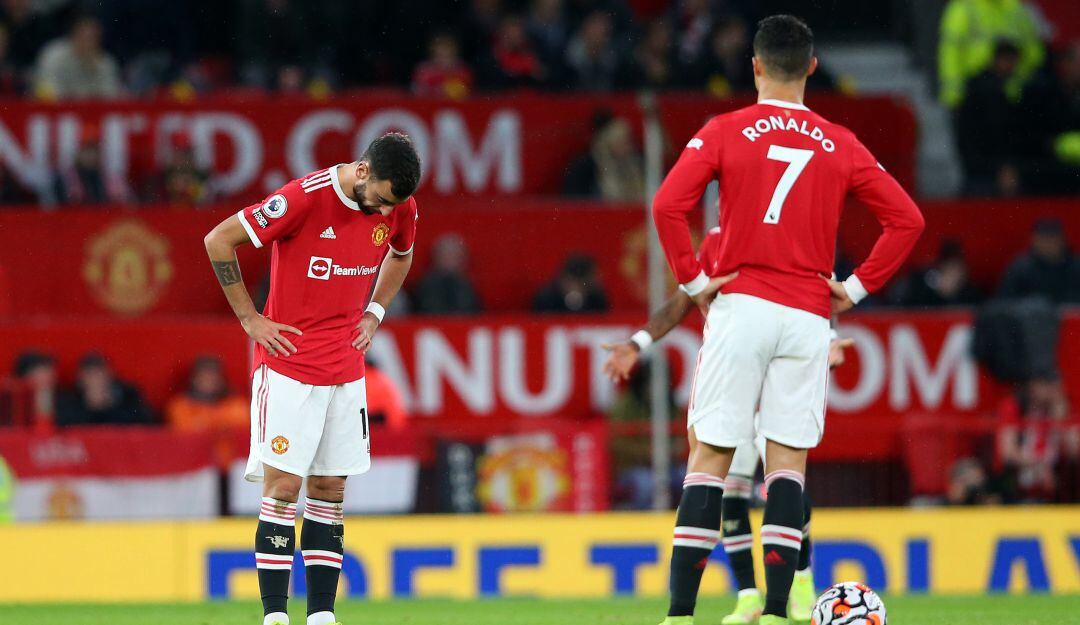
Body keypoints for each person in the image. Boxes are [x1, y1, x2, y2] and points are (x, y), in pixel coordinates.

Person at [650, 15, 924, 625]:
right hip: (806, 315)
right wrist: (853, 288)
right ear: (812, 68)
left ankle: (679, 617)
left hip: (741, 305)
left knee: (711, 460)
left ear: (753, 66)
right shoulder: (841, 142)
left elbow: (668, 203)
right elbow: (908, 221)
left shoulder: (725, 129)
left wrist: (693, 280)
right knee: (786, 468)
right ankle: (777, 613)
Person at [203, 131, 420, 625]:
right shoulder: (303, 198)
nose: (386, 216)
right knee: (283, 488)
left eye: (395, 207)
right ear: (363, 172)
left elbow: (401, 254)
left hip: (345, 368)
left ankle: (322, 616)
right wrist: (250, 320)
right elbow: (218, 240)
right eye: (381, 202)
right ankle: (274, 616)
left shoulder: (401, 205)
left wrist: (377, 310)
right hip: (288, 367)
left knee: (330, 491)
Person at [601, 228, 854, 623]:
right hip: (734, 385)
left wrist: (831, 336)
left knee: (783, 482)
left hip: (776, 380)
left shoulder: (786, 230)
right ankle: (750, 596)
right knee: (731, 492)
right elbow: (683, 300)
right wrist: (638, 342)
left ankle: (800, 579)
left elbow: (817, 290)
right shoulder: (718, 241)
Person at [938, 0, 1044, 109]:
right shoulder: (964, 7)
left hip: (1012, 90)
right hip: (974, 90)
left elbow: (1033, 52)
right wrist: (954, 90)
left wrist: (1019, 80)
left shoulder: (1015, 8)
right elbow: (951, 53)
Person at [165, 355, 249, 467]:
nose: (208, 381)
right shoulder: (180, 406)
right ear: (193, 379)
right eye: (203, 377)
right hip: (194, 469)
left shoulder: (236, 404)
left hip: (232, 469)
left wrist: (209, 426)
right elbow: (185, 435)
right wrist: (219, 428)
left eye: (213, 376)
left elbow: (242, 431)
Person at [34, 14, 121, 100]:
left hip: (90, 111)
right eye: (84, 35)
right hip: (58, 109)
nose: (87, 42)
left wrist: (94, 69)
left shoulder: (105, 62)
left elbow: (111, 97)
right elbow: (47, 90)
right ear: (73, 34)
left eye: (92, 37)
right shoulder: (54, 54)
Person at [56, 353, 155, 427]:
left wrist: (108, 405)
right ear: (80, 380)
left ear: (109, 376)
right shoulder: (69, 404)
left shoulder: (129, 399)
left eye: (99, 373)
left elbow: (147, 427)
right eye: (89, 374)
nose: (95, 379)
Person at [998, 218, 1080, 305]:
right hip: (1030, 317)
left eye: (1053, 238)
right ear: (1034, 240)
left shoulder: (1076, 266)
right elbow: (1004, 302)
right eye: (1044, 239)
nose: (1049, 244)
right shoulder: (1020, 268)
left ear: (1063, 240)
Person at [890, 239, 982, 307]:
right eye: (949, 269)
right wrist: (939, 292)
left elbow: (978, 309)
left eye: (957, 269)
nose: (954, 275)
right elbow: (905, 307)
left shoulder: (970, 291)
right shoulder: (920, 284)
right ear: (940, 268)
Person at [414, 233, 482, 314]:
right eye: (446, 256)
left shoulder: (467, 286)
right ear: (436, 258)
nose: (450, 261)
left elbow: (475, 313)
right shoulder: (425, 287)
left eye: (455, 256)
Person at [533, 254, 609, 314]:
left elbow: (602, 322)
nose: (599, 278)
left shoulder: (597, 299)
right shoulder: (547, 298)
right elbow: (538, 322)